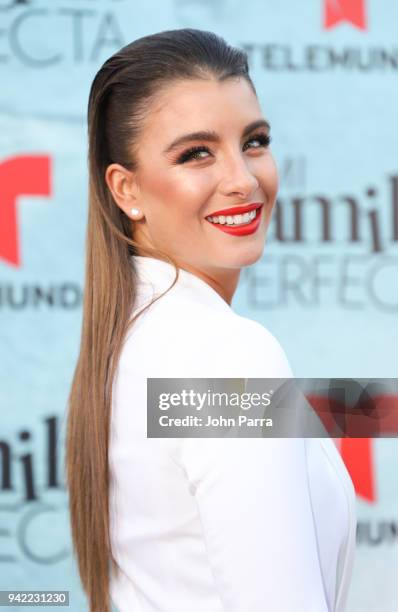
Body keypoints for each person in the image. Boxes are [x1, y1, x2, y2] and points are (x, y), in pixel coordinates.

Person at [65, 28, 357, 612]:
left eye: (254, 141)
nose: (243, 180)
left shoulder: (131, 340)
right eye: (196, 152)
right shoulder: (227, 355)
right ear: (127, 190)